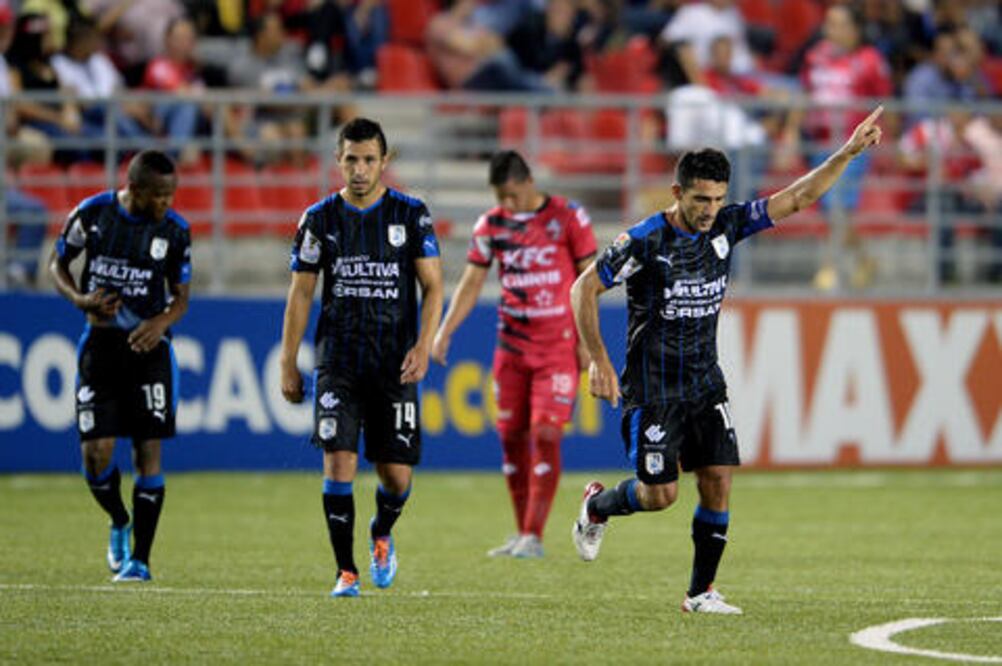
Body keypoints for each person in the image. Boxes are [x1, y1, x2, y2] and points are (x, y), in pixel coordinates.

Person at [569, 107, 885, 614]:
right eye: (700, 199)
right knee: (659, 496)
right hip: (653, 389)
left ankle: (700, 593)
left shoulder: (728, 226)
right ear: (677, 193)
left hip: (703, 383)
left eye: (717, 198)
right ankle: (597, 505)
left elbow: (799, 197)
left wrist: (847, 153)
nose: (710, 209)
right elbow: (583, 287)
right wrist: (597, 361)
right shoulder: (645, 240)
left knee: (718, 479)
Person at [279, 117, 444, 598]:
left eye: (369, 159)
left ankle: (381, 531)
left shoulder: (411, 214)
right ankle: (345, 571)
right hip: (339, 363)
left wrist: (423, 344)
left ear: (384, 162)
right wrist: (289, 360)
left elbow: (433, 287)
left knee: (396, 477)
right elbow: (300, 294)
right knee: (338, 462)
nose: (359, 169)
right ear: (338, 160)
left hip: (394, 362)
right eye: (351, 159)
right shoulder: (319, 219)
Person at [431, 151, 596, 559]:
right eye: (499, 196)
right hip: (511, 349)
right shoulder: (490, 225)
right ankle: (523, 532)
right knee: (511, 438)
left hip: (556, 347)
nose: (507, 204)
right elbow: (471, 283)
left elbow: (590, 281)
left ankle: (534, 536)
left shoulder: (568, 217)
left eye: (511, 195)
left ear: (528, 182)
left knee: (545, 432)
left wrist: (586, 344)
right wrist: (444, 331)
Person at [48, 149, 192, 583]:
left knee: (148, 451)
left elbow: (181, 296)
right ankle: (118, 519)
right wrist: (80, 299)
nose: (168, 202)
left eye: (172, 194)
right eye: (161, 195)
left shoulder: (175, 230)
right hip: (101, 347)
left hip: (149, 351)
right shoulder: (93, 215)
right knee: (96, 455)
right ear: (138, 189)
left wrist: (160, 322)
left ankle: (140, 562)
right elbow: (57, 263)